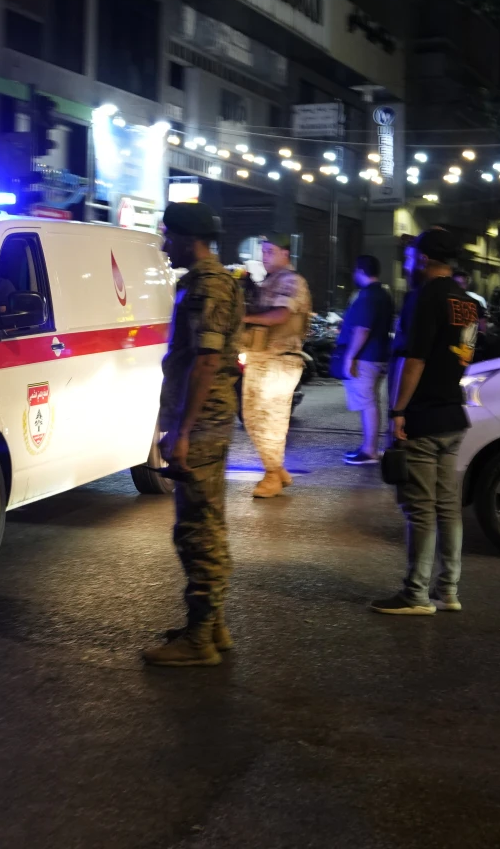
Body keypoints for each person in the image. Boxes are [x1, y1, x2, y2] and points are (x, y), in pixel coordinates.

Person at [143, 202, 245, 667]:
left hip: (201, 421)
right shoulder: (213, 282)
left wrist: (182, 430)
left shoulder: (207, 286)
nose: (164, 245)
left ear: (189, 239)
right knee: (207, 522)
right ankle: (211, 625)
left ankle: (201, 638)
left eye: (169, 235)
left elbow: (206, 361)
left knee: (197, 529)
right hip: (208, 417)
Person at [371, 227, 478, 615]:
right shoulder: (467, 301)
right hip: (453, 413)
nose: (410, 260)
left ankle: (416, 594)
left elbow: (415, 359)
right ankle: (447, 590)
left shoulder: (424, 297)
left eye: (413, 254)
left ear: (424, 258)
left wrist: (399, 410)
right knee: (448, 507)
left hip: (425, 415)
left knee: (420, 508)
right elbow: (462, 354)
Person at [240, 233, 311, 497]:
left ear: (285, 253)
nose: (264, 257)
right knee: (251, 417)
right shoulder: (270, 281)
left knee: (271, 420)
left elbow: (280, 315)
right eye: (262, 252)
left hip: (280, 360)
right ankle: (276, 469)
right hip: (260, 357)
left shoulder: (292, 281)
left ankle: (271, 475)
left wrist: (244, 316)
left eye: (269, 251)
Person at [334, 255, 393, 464]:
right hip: (379, 356)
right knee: (372, 402)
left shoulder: (367, 296)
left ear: (360, 271)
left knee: (368, 403)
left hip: (365, 358)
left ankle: (369, 450)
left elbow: (362, 330)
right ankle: (370, 448)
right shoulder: (384, 295)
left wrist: (350, 357)